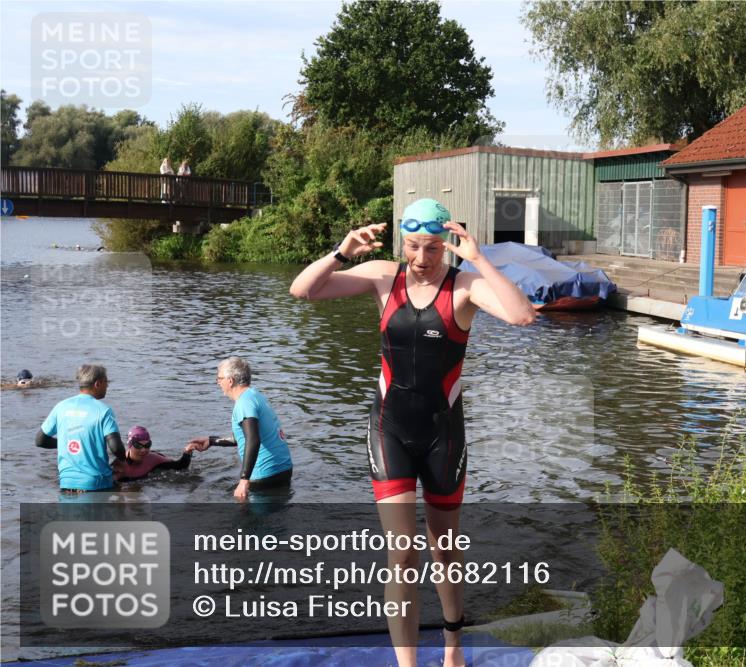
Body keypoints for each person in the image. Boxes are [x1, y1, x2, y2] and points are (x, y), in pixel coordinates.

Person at [289, 198, 535, 667]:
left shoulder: (465, 286)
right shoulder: (385, 275)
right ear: (403, 244)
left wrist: (480, 259)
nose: (423, 259)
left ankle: (453, 644)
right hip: (390, 430)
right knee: (400, 555)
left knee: (445, 551)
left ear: (448, 247)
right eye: (414, 247)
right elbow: (303, 290)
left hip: (444, 436)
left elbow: (522, 315)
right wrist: (343, 252)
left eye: (434, 249)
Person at [185, 357, 293, 501]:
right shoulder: (255, 396)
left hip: (264, 476)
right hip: (283, 470)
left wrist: (243, 481)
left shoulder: (243, 403)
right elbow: (244, 437)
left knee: (249, 521)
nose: (218, 383)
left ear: (230, 381)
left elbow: (253, 440)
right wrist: (211, 441)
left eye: (219, 378)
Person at [35, 364, 126, 493]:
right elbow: (116, 447)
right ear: (98, 383)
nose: (108, 386)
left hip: (66, 483)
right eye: (106, 382)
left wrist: (66, 442)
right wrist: (124, 459)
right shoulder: (103, 410)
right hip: (97, 483)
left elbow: (40, 440)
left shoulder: (61, 407)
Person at [114, 425, 193, 482]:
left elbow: (180, 466)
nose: (143, 450)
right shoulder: (118, 465)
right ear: (129, 446)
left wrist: (188, 451)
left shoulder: (152, 458)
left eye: (147, 445)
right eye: (138, 445)